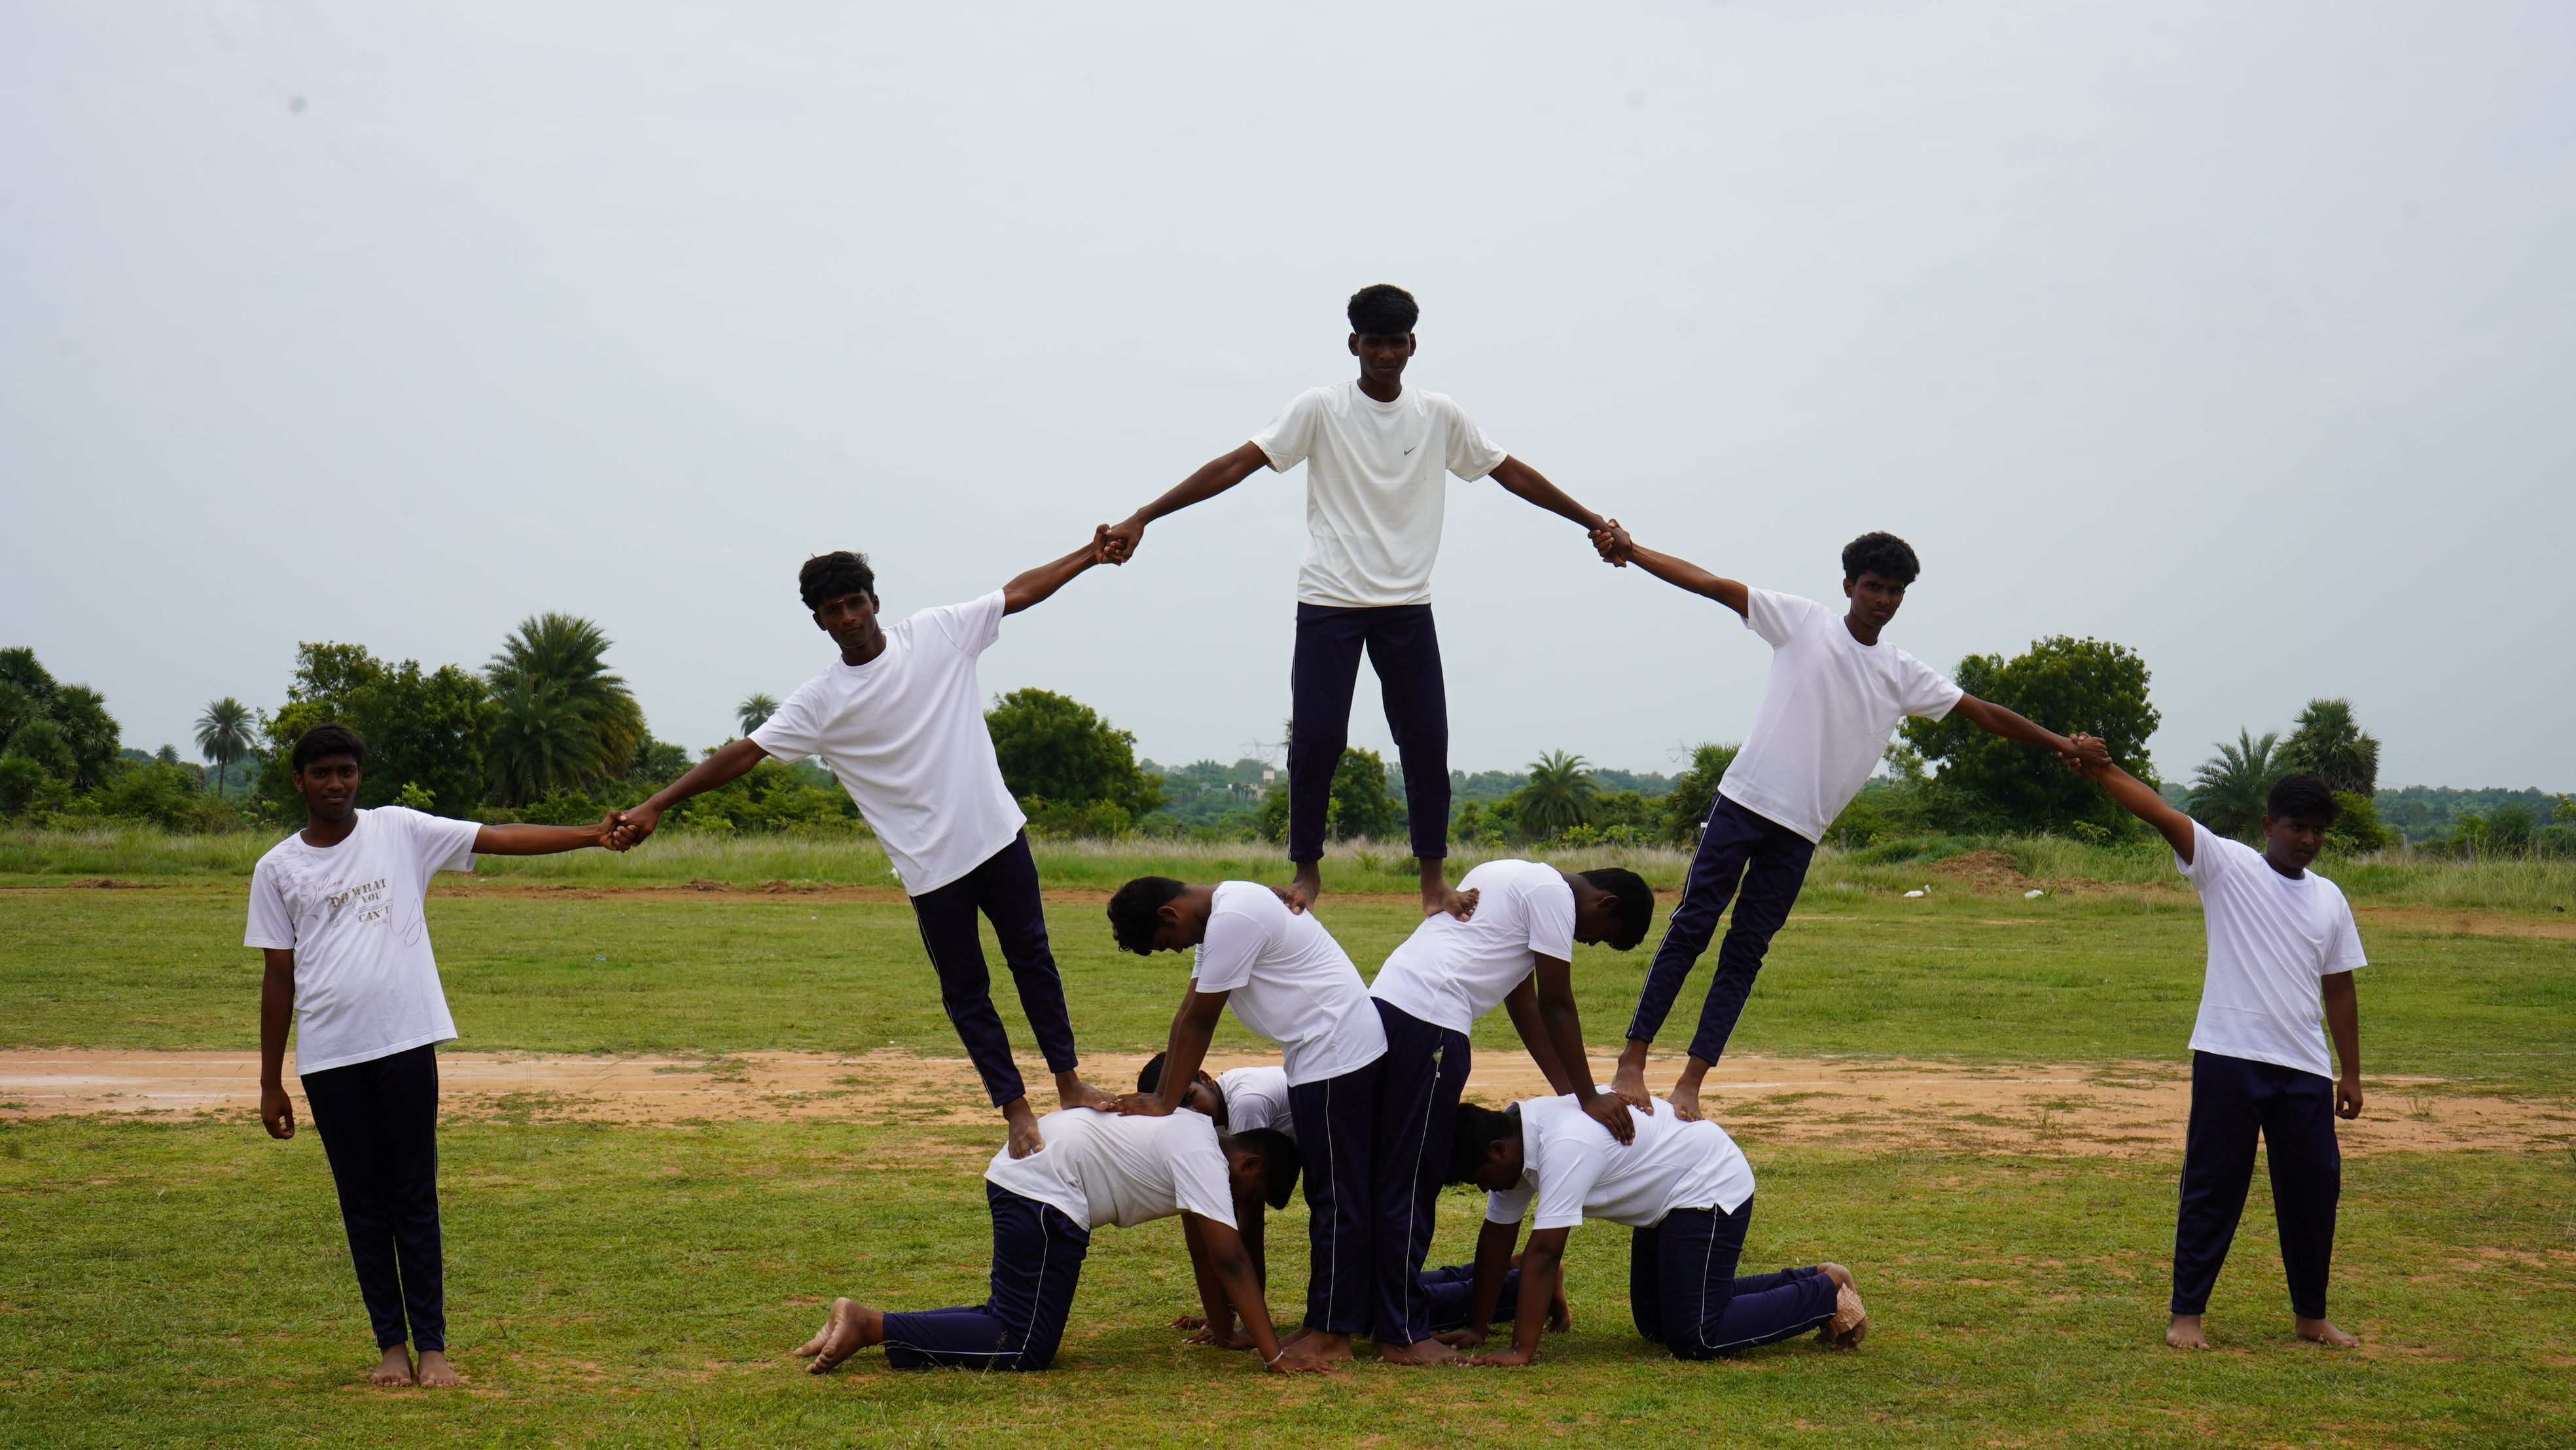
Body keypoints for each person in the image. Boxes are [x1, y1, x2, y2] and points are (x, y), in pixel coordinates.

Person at [1101, 284, 1632, 920]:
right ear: (1353, 344)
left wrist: (1592, 521)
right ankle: (1306, 874)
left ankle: (1433, 883)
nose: (1385, 354)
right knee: (1319, 740)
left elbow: (1509, 471)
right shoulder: (1320, 409)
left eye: (1396, 343)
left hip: (1407, 604)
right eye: (1373, 342)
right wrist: (1144, 515)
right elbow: (1236, 464)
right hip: (1330, 600)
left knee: (1426, 741)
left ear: (1413, 346)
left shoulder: (1438, 415)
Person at [609, 533, 1124, 1158]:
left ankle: (1070, 1085)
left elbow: (1017, 593)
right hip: (930, 869)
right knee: (967, 992)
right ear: (820, 622)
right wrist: (655, 804)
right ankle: (1015, 1110)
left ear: (875, 601)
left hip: (997, 837)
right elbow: (744, 753)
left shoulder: (937, 634)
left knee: (1033, 961)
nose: (849, 617)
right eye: (834, 610)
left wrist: (1089, 555)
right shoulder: (821, 701)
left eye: (856, 603)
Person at [1591, 527, 2105, 1119]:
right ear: (1848, 586)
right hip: (1743, 802)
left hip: (1800, 831)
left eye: (1895, 591)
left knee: (1746, 951)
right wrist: (1633, 551)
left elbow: (1984, 713)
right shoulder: (1803, 623)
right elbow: (1711, 585)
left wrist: (2061, 744)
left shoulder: (1901, 673)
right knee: (1692, 927)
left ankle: (1691, 1083)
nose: (1883, 600)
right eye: (1872, 587)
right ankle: (1633, 1061)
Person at [248, 723, 623, 1388]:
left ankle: (433, 1349)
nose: (336, 784)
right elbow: (279, 978)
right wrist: (270, 1081)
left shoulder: (399, 830)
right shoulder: (277, 868)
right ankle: (390, 1348)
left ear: (359, 776)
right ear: (299, 781)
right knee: (363, 1205)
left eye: (346, 771)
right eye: (322, 773)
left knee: (414, 1196)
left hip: (404, 1040)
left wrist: (592, 834)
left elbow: (498, 836)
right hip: (329, 1057)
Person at [2070, 757, 2365, 1351]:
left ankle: (2311, 1316)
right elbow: (2159, 812)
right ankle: (2187, 1316)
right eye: (2297, 827)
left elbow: (2339, 987)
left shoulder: (2330, 899)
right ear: (2268, 826)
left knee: (2315, 1190)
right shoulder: (2227, 865)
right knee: (2214, 1185)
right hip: (2229, 1058)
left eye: (2318, 830)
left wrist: (2351, 1073)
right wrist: (2102, 769)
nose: (2308, 840)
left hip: (2304, 1068)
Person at [1363, 859, 1656, 1363]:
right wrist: (1589, 1097)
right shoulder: (1553, 895)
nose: (1590, 943)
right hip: (1431, 1024)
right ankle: (1402, 1333)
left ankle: (1367, 1313)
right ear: (1605, 903)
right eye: (1604, 934)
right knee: (1416, 1177)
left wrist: (1570, 1096)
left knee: (1385, 1170)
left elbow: (1522, 1003)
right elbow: (1555, 1003)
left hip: (1385, 1008)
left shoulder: (1506, 872)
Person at [793, 1108, 1323, 1375]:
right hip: (1045, 1195)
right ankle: (870, 1325)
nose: (1244, 1207)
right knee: (1024, 1345)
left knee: (1009, 1321)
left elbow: (1204, 1252)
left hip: (1028, 1183)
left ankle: (869, 1322)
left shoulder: (1194, 1134)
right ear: (1249, 1163)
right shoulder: (1204, 1156)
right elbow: (1231, 1260)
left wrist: (1226, 1331)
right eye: (1253, 1195)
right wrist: (1274, 1355)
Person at [1105, 877, 1387, 1361]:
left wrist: (1165, 1103)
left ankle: (1334, 1334)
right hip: (1316, 1060)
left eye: (1167, 942)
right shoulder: (1221, 919)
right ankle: (1321, 1323)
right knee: (1327, 1198)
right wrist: (1160, 1096)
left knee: (1337, 1201)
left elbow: (1202, 1020)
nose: (1177, 949)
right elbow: (1185, 1014)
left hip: (1338, 1058)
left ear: (1170, 914)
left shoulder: (1234, 915)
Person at [1442, 1095, 1869, 1365]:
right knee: (1656, 1323)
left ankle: (1826, 1293)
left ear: (1498, 1150)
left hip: (1707, 1185)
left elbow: (1544, 1255)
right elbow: (1496, 1239)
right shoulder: (1516, 1142)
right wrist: (1479, 1327)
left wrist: (1521, 1350)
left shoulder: (1563, 1144)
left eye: (1481, 1178)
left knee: (1697, 1337)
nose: (1484, 1189)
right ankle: (1811, 1278)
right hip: (1666, 1202)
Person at [1136, 1053, 1295, 1139]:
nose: (1193, 1112)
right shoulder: (1219, 1099)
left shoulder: (1246, 1102)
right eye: (1180, 1111)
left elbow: (1252, 1172)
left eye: (1190, 1098)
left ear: (1205, 1079)